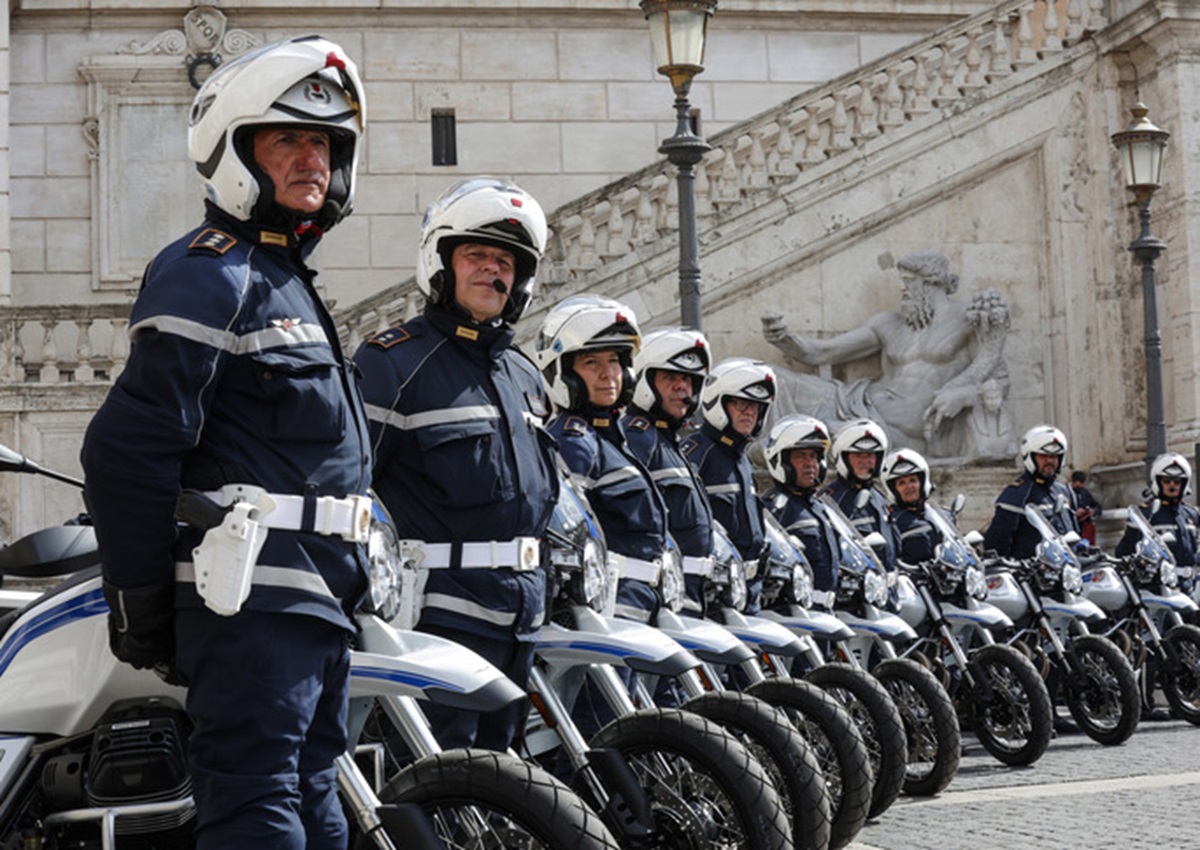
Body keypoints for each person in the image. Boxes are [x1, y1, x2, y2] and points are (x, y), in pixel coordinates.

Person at [80, 36, 369, 849]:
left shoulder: (290, 283)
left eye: (325, 143)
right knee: (257, 808)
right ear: (237, 153)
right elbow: (126, 450)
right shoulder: (210, 270)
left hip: (318, 601)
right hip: (250, 604)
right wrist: (139, 601)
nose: (314, 158)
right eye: (289, 139)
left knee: (315, 802)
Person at [353, 177, 558, 752]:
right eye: (476, 255)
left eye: (505, 262)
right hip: (440, 623)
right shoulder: (393, 362)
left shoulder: (525, 377)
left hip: (523, 616)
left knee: (509, 784)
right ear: (441, 262)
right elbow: (349, 485)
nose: (493, 271)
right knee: (439, 783)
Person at [761, 250, 1010, 457]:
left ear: (931, 281)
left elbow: (996, 379)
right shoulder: (887, 324)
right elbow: (822, 353)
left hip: (901, 428)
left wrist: (962, 394)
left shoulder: (968, 319)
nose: (903, 289)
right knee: (770, 379)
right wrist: (783, 339)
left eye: (908, 281)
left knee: (814, 434)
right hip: (855, 401)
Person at [536, 295, 671, 626]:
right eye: (591, 363)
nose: (608, 374)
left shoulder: (611, 440)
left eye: (614, 361)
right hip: (610, 612)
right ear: (564, 373)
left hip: (639, 607)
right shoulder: (573, 442)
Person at [623, 327, 715, 615]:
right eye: (670, 377)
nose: (682, 387)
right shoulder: (638, 438)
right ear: (645, 382)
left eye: (688, 379)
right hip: (659, 604)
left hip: (689, 600)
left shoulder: (670, 443)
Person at [681, 357, 776, 611]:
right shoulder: (697, 453)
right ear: (719, 402)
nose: (750, 412)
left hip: (749, 592)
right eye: (741, 404)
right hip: (715, 595)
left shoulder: (742, 460)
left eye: (756, 406)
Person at [762, 414, 841, 610]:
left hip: (827, 612)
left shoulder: (821, 507)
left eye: (814, 456)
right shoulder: (774, 508)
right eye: (800, 456)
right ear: (782, 461)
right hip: (796, 611)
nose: (810, 464)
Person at [824, 419, 901, 595]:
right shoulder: (832, 500)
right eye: (858, 455)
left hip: (887, 592)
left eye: (870, 455)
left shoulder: (879, 497)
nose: (865, 461)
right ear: (844, 458)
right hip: (857, 596)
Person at [981, 424, 1079, 558]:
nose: (1050, 461)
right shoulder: (1016, 493)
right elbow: (996, 543)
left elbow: (1074, 532)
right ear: (1030, 457)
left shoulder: (1063, 491)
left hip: (1066, 570)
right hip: (1033, 574)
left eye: (1055, 456)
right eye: (1043, 456)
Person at [1115, 453, 1198, 590]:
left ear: (1184, 483)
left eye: (1177, 481)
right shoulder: (1145, 514)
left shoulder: (1192, 514)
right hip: (1160, 588)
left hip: (1191, 587)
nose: (1172, 484)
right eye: (1167, 480)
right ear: (1158, 482)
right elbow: (1124, 552)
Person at [880, 448, 938, 564]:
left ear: (922, 483)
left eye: (913, 480)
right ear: (893, 490)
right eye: (902, 483)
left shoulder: (937, 514)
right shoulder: (891, 521)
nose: (909, 487)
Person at [1069, 470, 1103, 546]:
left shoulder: (1084, 492)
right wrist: (1075, 513)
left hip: (1084, 530)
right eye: (1079, 484)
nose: (1081, 486)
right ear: (1073, 482)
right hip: (1071, 531)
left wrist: (1092, 511)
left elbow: (1098, 506)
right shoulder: (1065, 492)